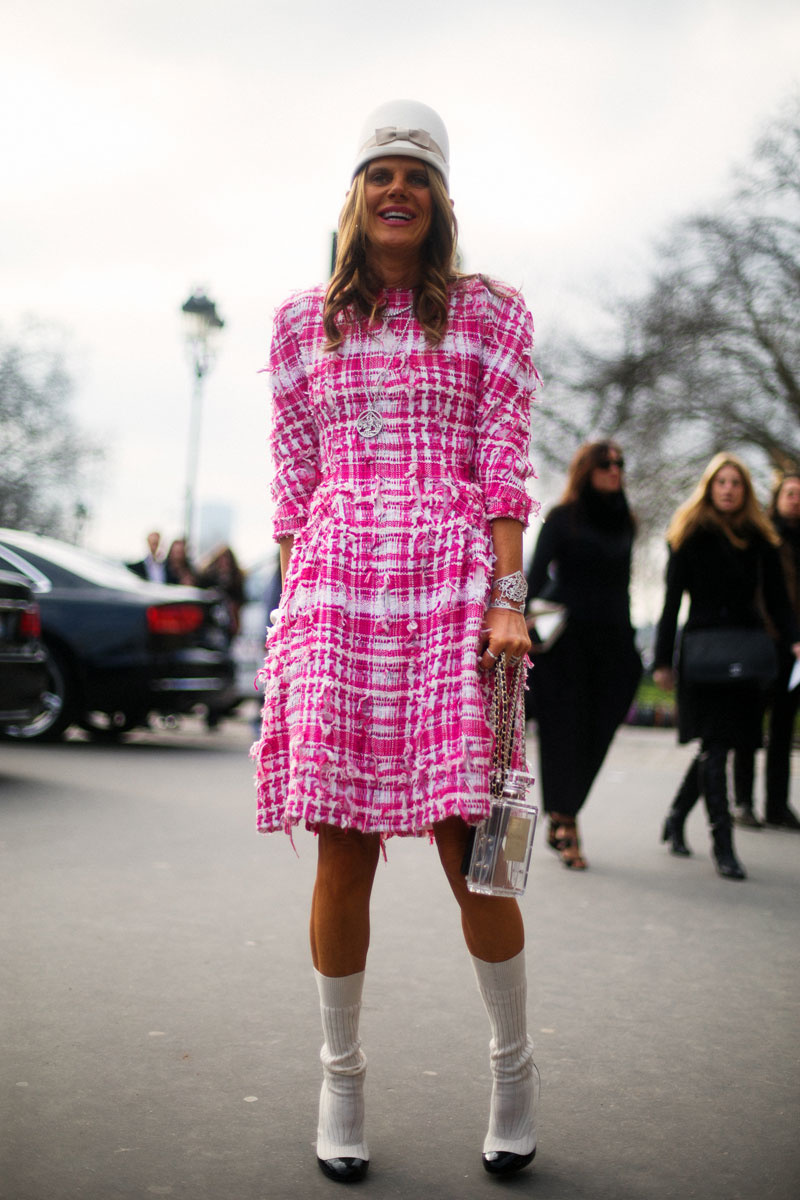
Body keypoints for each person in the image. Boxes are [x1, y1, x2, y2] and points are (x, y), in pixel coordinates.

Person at [251, 99, 539, 1183]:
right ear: (354, 194)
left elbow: (504, 458)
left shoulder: (489, 313)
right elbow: (291, 486)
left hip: (448, 588)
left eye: (414, 174)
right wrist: (287, 627)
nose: (395, 189)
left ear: (440, 199)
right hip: (334, 583)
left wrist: (508, 595)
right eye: (378, 173)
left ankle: (512, 1066)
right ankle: (340, 1076)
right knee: (339, 846)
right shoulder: (296, 325)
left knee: (472, 848)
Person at [653, 454, 800, 879]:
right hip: (702, 654)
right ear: (709, 487)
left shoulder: (761, 538)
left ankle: (676, 817)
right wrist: (663, 661)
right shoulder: (689, 535)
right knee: (715, 745)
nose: (729, 489)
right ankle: (724, 845)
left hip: (748, 650)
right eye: (721, 482)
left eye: (736, 482)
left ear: (746, 490)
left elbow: (777, 600)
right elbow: (670, 604)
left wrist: (793, 640)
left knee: (724, 743)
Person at [524, 441, 642, 869]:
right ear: (586, 470)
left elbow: (625, 586)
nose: (614, 471)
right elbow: (533, 580)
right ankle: (565, 822)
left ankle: (565, 813)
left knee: (598, 732)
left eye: (619, 464)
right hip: (565, 647)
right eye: (605, 464)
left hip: (613, 645)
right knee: (562, 734)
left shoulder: (626, 522)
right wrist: (514, 625)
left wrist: (631, 647)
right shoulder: (561, 518)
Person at [731, 472, 800, 830]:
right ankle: (743, 801)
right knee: (748, 725)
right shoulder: (763, 537)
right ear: (777, 498)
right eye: (790, 493)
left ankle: (776, 804)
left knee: (784, 728)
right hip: (762, 641)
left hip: (796, 649)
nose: (795, 499)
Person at [197, 545, 245, 636]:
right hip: (210, 621)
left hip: (229, 622)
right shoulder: (208, 577)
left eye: (227, 560)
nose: (224, 563)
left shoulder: (235, 580)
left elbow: (239, 602)